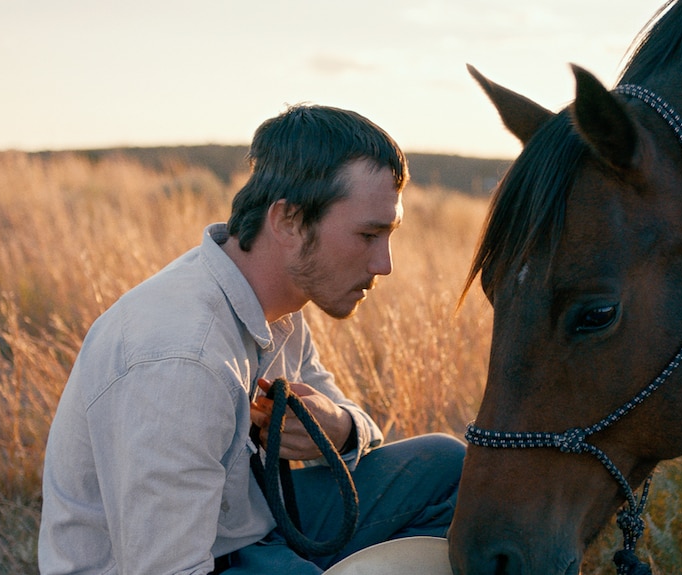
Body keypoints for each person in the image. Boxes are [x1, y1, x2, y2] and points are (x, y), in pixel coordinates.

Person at [38, 104, 466, 575]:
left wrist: (338, 427)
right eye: (368, 235)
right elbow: (166, 566)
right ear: (287, 221)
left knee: (449, 468)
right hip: (187, 559)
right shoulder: (182, 360)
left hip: (249, 522)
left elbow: (356, 429)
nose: (383, 264)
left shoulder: (275, 304)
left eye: (389, 234)